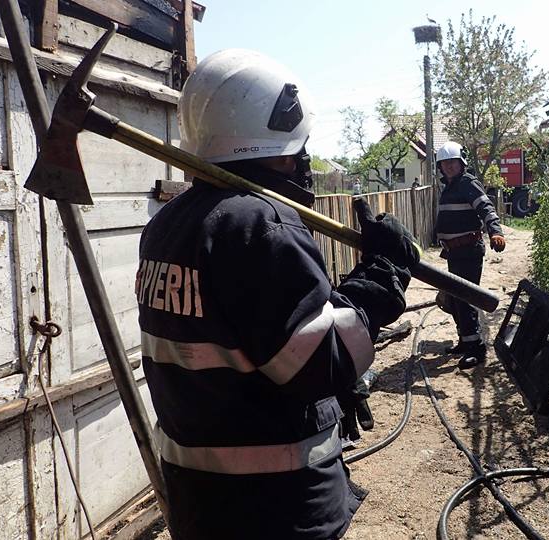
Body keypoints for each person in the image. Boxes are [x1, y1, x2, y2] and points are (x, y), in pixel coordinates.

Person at [136, 49, 418, 539]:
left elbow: (256, 334)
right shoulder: (262, 225)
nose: (302, 160)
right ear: (276, 145)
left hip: (199, 499)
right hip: (275, 507)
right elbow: (318, 364)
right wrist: (381, 277)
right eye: (298, 146)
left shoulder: (169, 224)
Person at [434, 141, 505, 369]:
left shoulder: (467, 183)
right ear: (440, 166)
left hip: (468, 251)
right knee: (456, 299)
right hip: (454, 252)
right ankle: (465, 341)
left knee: (466, 299)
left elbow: (486, 208)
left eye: (453, 162)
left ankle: (477, 349)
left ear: (461, 163)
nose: (449, 166)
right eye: (445, 163)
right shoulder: (450, 187)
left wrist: (495, 232)